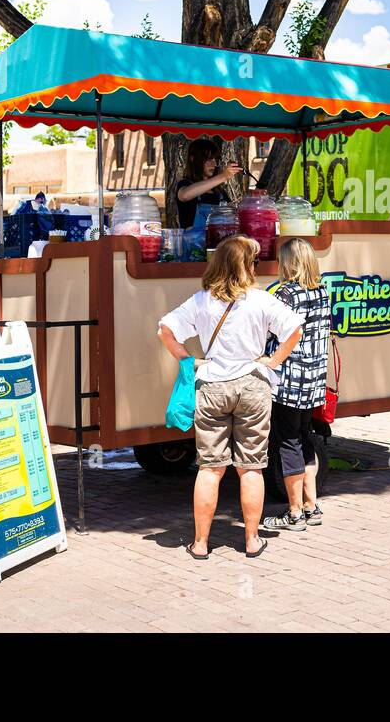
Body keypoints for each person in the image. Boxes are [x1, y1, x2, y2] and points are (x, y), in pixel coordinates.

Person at [157, 235, 303, 559]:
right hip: (253, 384)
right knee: (251, 468)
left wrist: (188, 360)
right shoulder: (261, 300)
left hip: (212, 387)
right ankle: (251, 540)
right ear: (246, 266)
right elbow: (295, 329)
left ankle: (200, 543)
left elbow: (164, 330)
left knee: (210, 469)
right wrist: (274, 361)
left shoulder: (201, 300)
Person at [261, 238, 332, 532]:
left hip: (289, 379)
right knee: (304, 438)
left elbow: (271, 332)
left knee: (287, 442)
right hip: (314, 380)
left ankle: (293, 513)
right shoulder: (322, 293)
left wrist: (267, 358)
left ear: (288, 263)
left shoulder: (287, 294)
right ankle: (310, 505)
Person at [176, 139, 242, 229]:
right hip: (193, 242)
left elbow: (233, 214)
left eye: (215, 159)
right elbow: (184, 195)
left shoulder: (220, 192)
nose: (214, 164)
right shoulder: (185, 184)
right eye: (209, 159)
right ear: (193, 158)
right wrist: (223, 176)